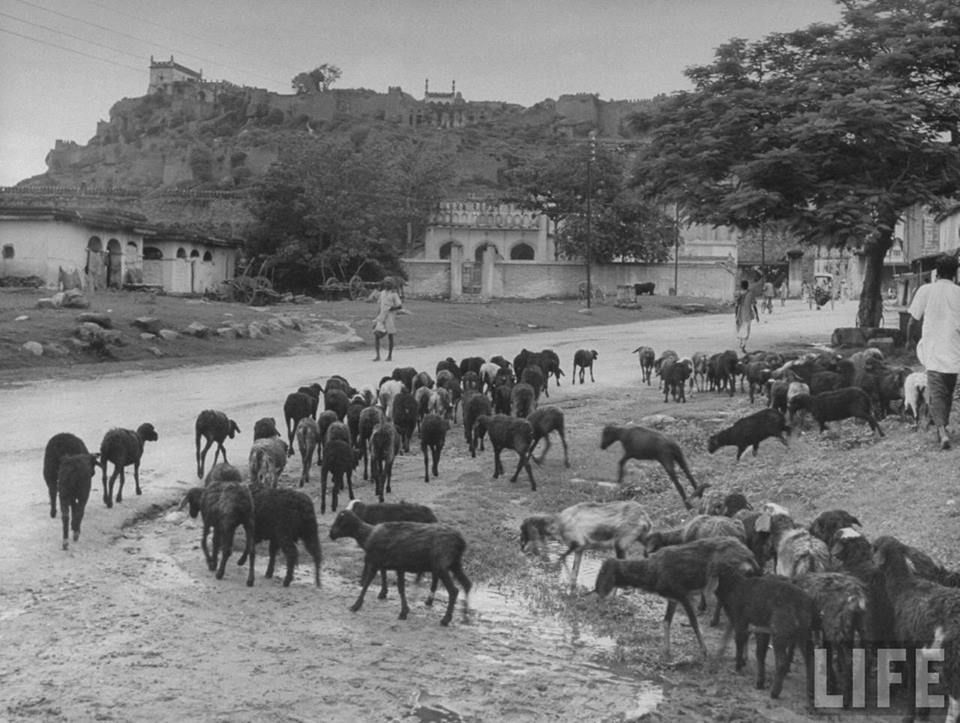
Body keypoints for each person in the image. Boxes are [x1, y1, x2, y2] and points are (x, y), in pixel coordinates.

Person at [907, 253, 960, 450]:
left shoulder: (925, 290)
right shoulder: (958, 292)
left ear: (936, 273)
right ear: (955, 273)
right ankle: (942, 426)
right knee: (947, 390)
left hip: (933, 347)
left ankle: (942, 430)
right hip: (954, 349)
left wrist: (909, 341)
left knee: (936, 390)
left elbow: (912, 320)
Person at [372, 278, 403, 362]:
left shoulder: (394, 294)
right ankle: (378, 356)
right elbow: (380, 306)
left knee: (390, 336)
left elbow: (400, 306)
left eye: (389, 283)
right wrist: (376, 318)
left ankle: (389, 356)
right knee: (376, 334)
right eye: (386, 283)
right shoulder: (382, 293)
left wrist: (390, 308)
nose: (387, 285)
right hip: (382, 317)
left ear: (392, 284)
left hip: (390, 317)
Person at [734, 279, 758, 353]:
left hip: (740, 313)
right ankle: (744, 344)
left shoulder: (738, 294)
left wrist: (736, 314)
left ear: (741, 286)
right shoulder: (751, 294)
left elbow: (736, 305)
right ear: (747, 286)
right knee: (746, 328)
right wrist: (757, 315)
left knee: (740, 327)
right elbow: (754, 305)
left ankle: (741, 342)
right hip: (748, 313)